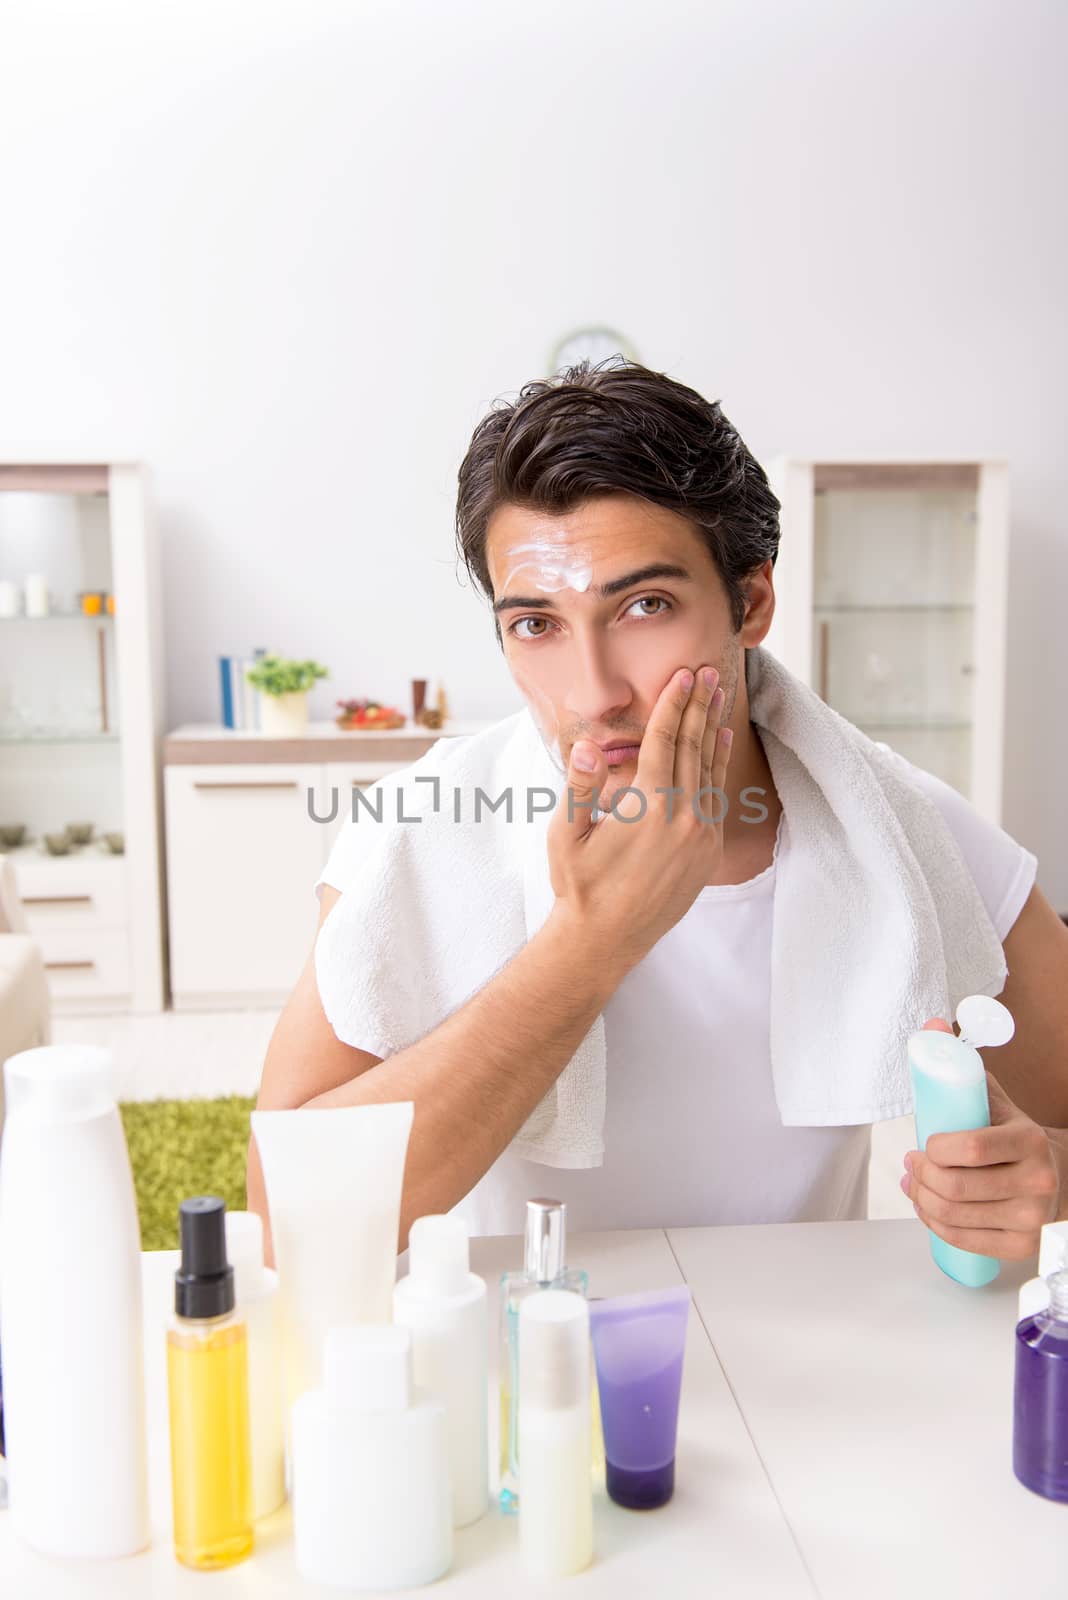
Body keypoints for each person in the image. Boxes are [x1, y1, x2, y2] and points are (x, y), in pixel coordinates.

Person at [247, 359, 1068, 1261]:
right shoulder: (420, 829)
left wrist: (1047, 1179)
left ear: (750, 600)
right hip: (525, 1363)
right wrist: (589, 943)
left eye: (644, 605)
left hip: (802, 1370)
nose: (593, 693)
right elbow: (285, 1220)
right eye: (536, 623)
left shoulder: (907, 834)